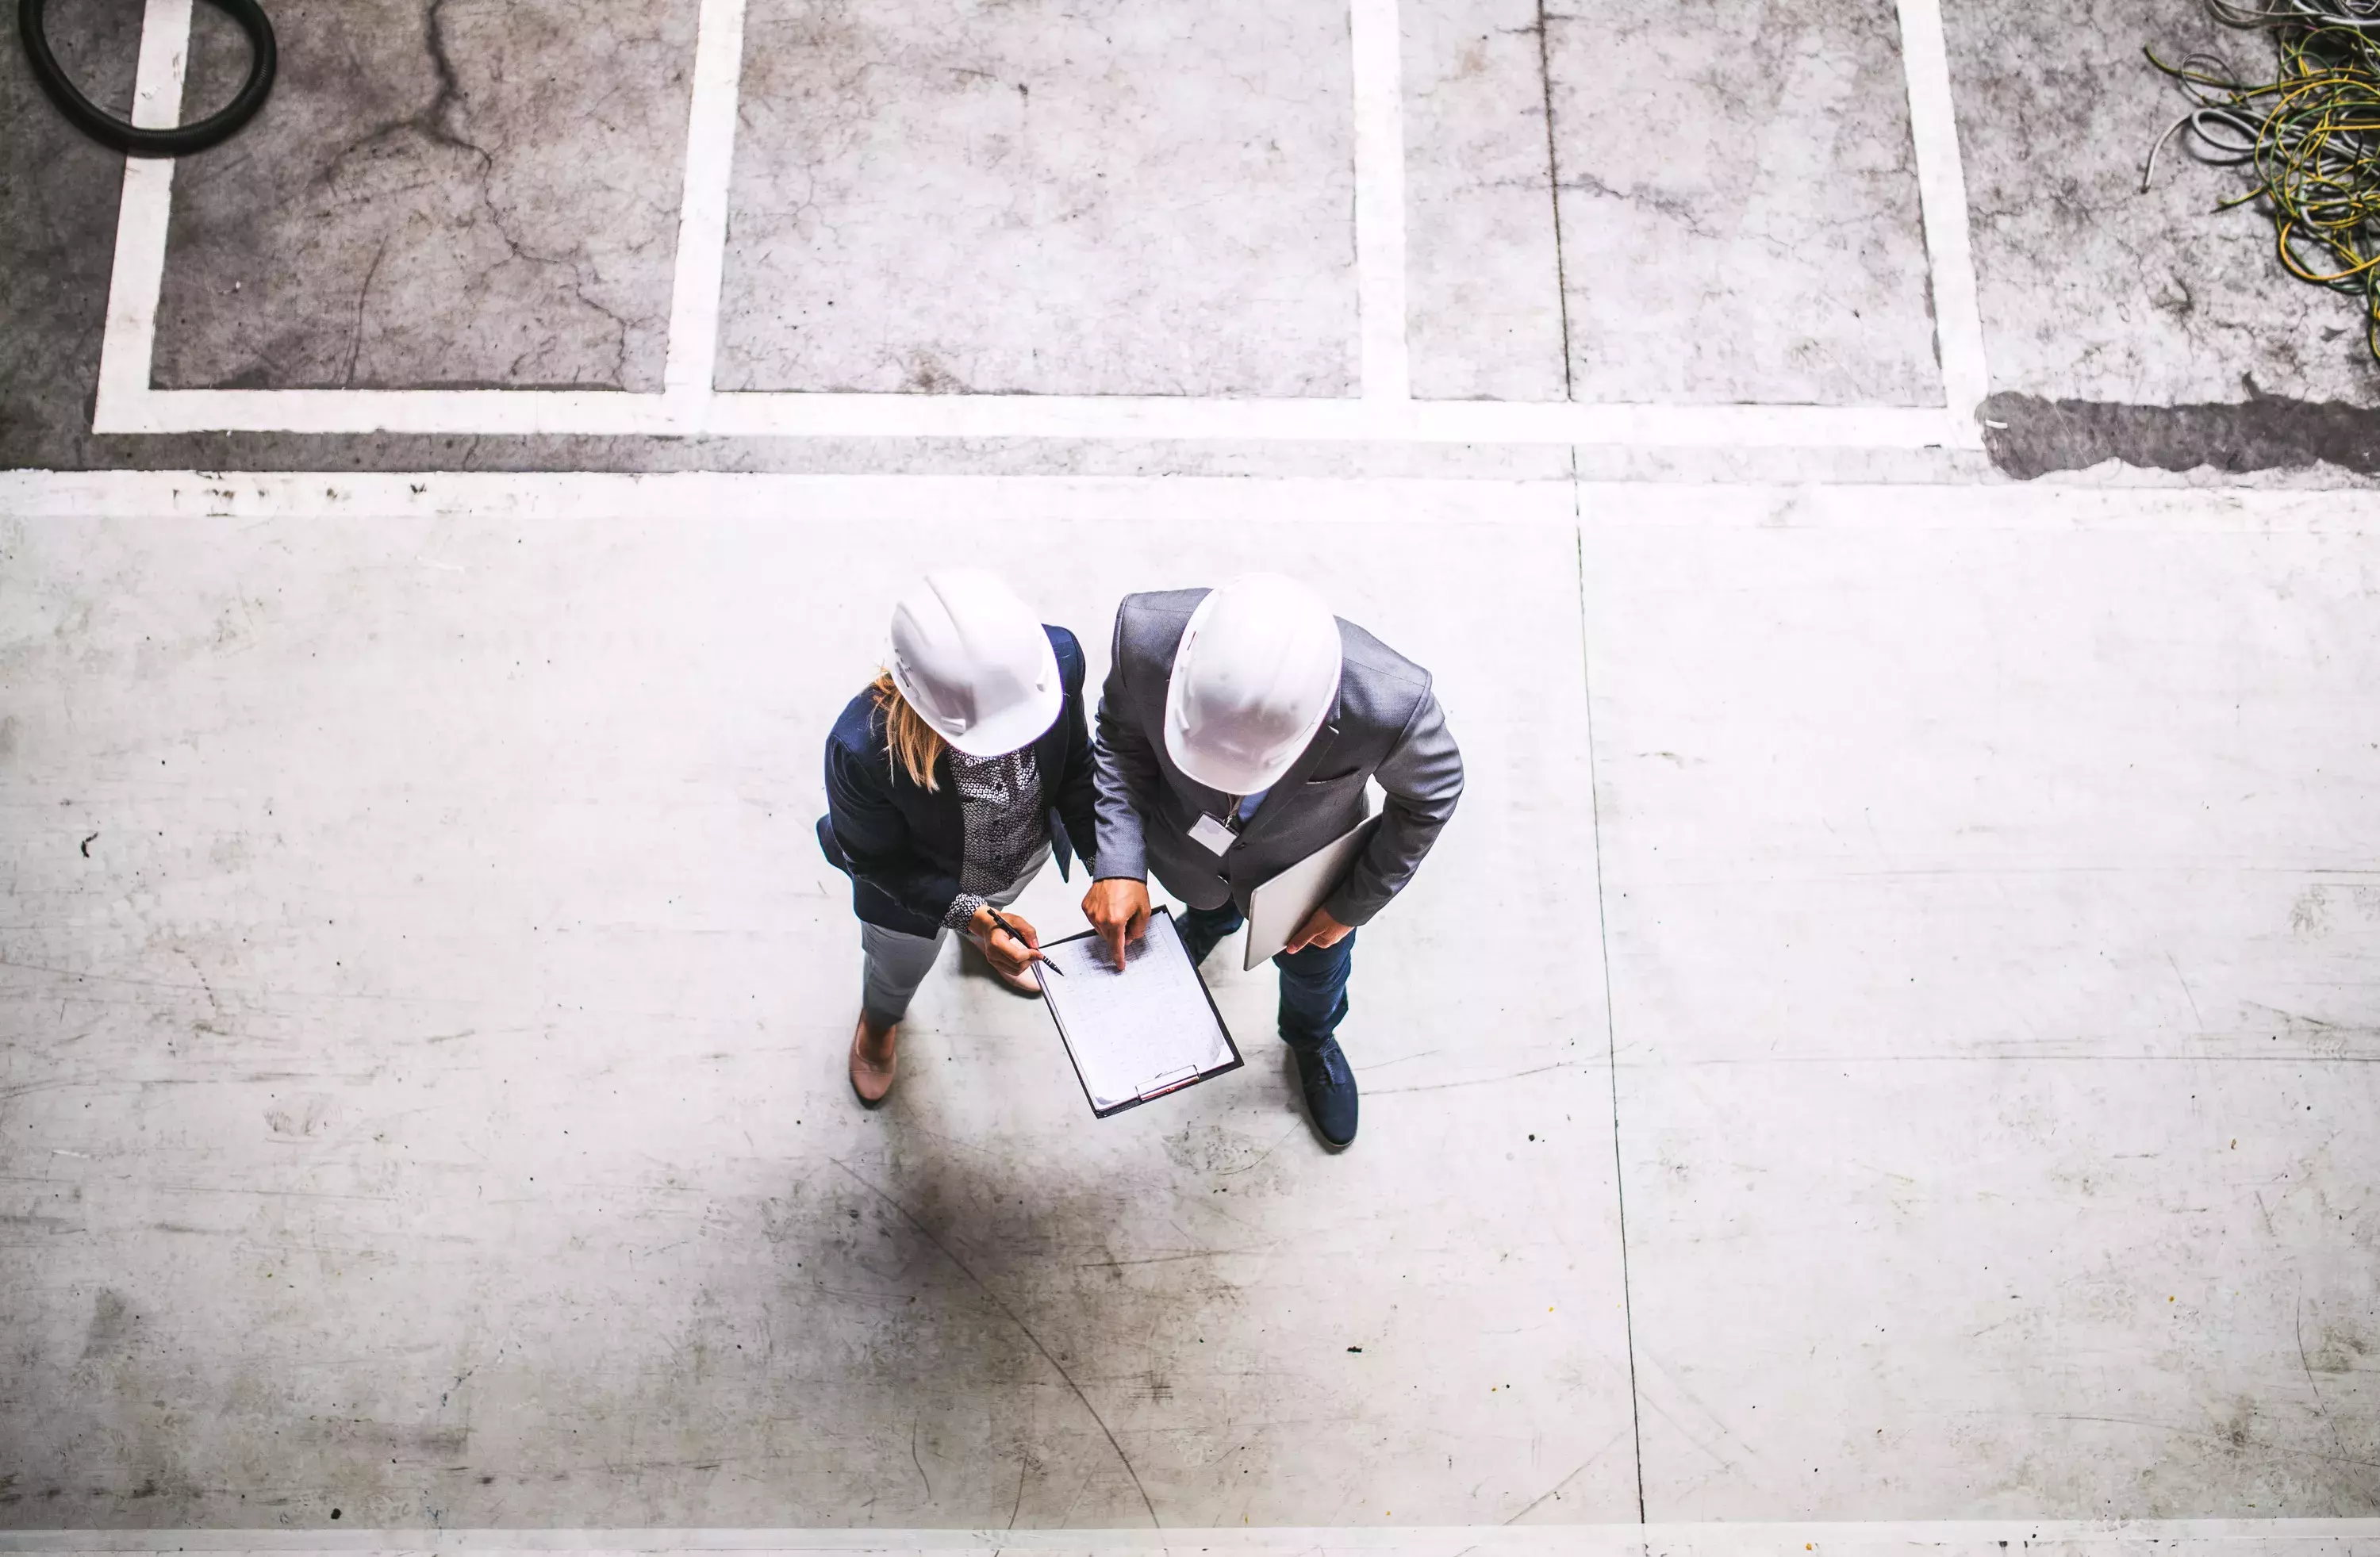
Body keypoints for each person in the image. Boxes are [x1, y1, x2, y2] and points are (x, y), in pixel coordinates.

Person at [1081, 574, 1462, 1149]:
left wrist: (1348, 906)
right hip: (1187, 853)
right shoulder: (1143, 636)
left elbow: (1432, 794)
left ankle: (1311, 1039)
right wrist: (1119, 862)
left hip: (1304, 886)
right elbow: (1119, 741)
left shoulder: (1392, 701)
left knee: (1316, 976)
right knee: (1205, 903)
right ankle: (1211, 919)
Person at [819, 570, 1099, 1107]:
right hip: (913, 900)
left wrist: (1106, 864)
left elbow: (1076, 767)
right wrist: (973, 915)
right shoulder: (861, 750)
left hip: (1018, 858)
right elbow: (880, 862)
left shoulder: (1056, 659)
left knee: (1001, 911)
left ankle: (983, 944)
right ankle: (879, 1023)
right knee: (895, 969)